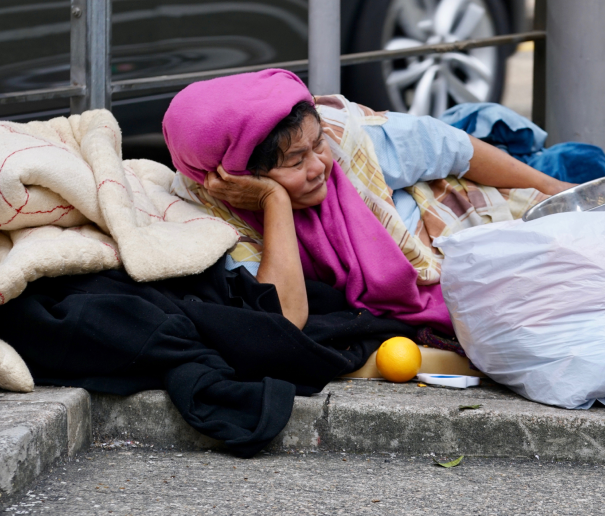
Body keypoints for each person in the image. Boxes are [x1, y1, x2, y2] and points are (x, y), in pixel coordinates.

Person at [162, 69, 573, 333]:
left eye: (316, 144)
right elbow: (285, 318)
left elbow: (453, 149)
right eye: (295, 161)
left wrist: (554, 189)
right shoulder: (216, 213)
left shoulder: (346, 137)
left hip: (449, 212)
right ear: (235, 175)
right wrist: (274, 202)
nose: (319, 166)